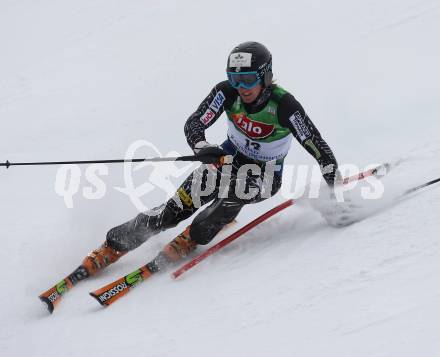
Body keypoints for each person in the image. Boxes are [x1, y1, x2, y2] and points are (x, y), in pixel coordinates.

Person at [68, 41, 339, 284]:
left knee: (233, 196)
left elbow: (318, 147)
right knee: (173, 210)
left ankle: (195, 235)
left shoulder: (284, 105)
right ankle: (113, 245)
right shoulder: (227, 93)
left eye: (247, 79)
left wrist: (334, 188)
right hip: (226, 159)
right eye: (234, 79)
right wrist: (202, 146)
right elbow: (195, 122)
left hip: (265, 175)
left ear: (265, 77)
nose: (241, 87)